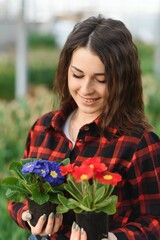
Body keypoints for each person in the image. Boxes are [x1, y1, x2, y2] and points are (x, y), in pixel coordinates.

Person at [8, 14, 160, 240]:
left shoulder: (139, 143)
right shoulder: (43, 128)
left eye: (101, 80)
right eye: (77, 75)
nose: (86, 89)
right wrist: (28, 216)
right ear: (66, 70)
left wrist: (114, 238)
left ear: (122, 80)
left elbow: (154, 221)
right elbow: (17, 198)